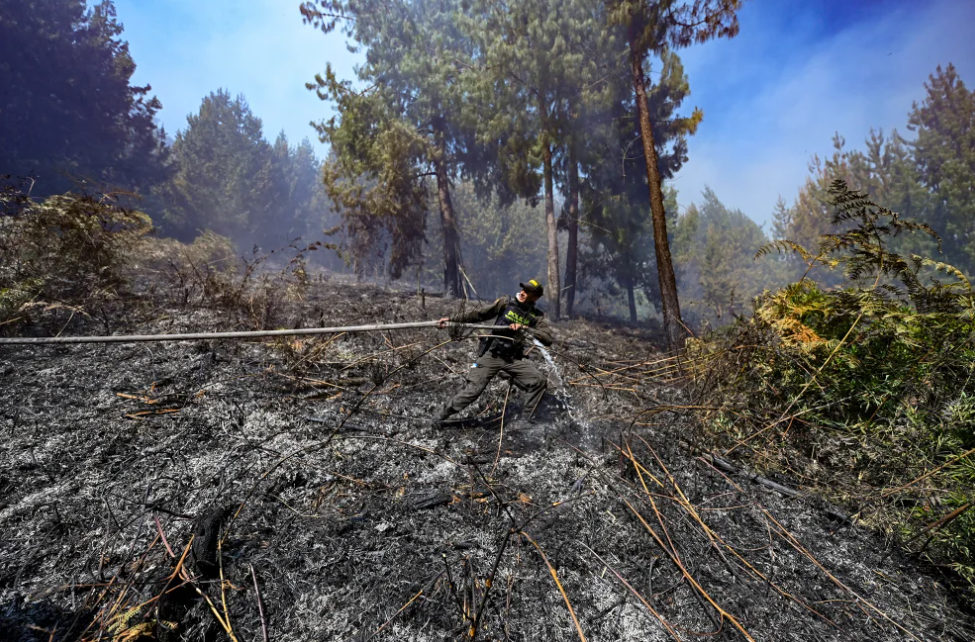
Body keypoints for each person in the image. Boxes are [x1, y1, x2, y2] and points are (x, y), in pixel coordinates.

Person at [434, 279, 555, 426]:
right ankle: (440, 416)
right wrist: (452, 320)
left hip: (512, 360)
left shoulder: (536, 316)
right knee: (473, 390)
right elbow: (479, 314)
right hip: (491, 355)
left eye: (528, 291)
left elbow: (548, 339)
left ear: (535, 297)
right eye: (523, 289)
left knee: (538, 381)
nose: (523, 293)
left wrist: (525, 328)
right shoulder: (506, 302)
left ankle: (524, 422)